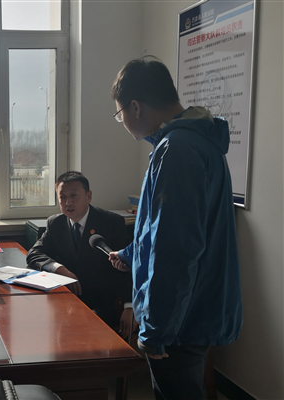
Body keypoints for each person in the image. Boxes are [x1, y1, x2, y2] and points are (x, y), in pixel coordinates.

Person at [108, 56, 243, 400]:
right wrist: (131, 254)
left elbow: (176, 251)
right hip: (189, 310)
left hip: (181, 319)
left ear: (135, 107)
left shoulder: (177, 150)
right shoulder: (191, 141)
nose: (122, 122)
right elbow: (162, 229)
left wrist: (156, 331)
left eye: (120, 114)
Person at [26, 171, 135, 339]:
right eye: (62, 197)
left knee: (82, 329)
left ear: (88, 196)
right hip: (66, 300)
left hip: (104, 303)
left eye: (74, 195)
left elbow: (129, 267)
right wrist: (60, 269)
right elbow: (34, 253)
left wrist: (130, 306)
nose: (68, 202)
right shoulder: (56, 223)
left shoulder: (111, 223)